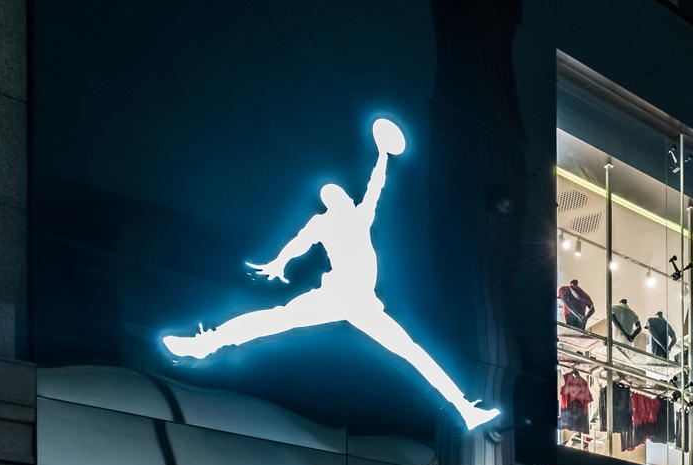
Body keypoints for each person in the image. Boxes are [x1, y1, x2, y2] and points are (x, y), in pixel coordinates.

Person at [161, 119, 499, 430]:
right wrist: (280, 262)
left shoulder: (360, 215)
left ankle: (464, 409)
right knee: (274, 320)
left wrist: (382, 155)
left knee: (411, 351)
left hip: (363, 304)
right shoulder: (325, 221)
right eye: (334, 196)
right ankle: (204, 344)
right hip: (335, 295)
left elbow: (375, 185)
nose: (341, 198)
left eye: (341, 195)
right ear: (331, 202)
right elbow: (298, 242)